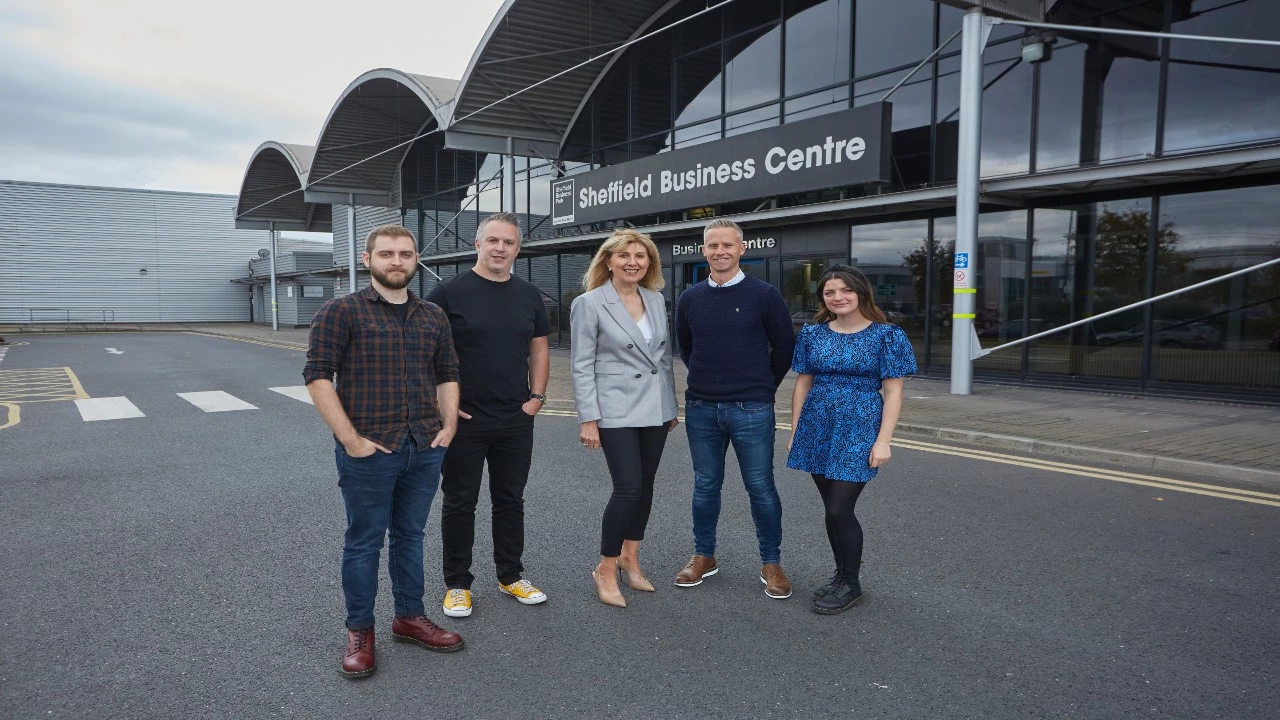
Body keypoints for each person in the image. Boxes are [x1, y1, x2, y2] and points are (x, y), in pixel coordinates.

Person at [304, 224, 464, 679]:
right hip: (370, 450)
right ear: (367, 259)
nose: (397, 261)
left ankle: (409, 616)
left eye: (406, 254)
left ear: (416, 260)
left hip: (425, 445)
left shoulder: (432, 314)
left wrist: (449, 424)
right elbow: (318, 376)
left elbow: (447, 371)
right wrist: (351, 441)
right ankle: (360, 631)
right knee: (364, 542)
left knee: (411, 536)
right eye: (387, 254)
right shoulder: (342, 312)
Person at [427, 212, 551, 619]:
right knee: (460, 502)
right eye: (493, 241)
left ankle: (510, 574)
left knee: (510, 498)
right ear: (477, 245)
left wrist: (536, 398)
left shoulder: (530, 295)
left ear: (518, 248)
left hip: (516, 416)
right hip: (464, 419)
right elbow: (424, 351)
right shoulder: (447, 293)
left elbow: (538, 350)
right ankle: (457, 584)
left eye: (509, 243)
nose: (500, 249)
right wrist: (441, 404)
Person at [673, 218, 796, 598]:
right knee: (705, 485)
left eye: (728, 245)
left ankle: (771, 562)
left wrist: (761, 387)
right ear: (704, 250)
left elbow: (784, 349)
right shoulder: (690, 298)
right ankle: (704, 556)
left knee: (760, 487)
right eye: (713, 246)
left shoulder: (765, 295)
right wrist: (711, 382)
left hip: (752, 407)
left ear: (742, 248)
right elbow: (687, 349)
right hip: (702, 406)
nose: (720, 252)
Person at [786, 266, 917, 615]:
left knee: (839, 508)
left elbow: (893, 391)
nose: (837, 297)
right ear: (823, 299)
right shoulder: (813, 334)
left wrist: (884, 440)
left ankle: (852, 583)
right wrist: (796, 430)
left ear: (861, 293)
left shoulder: (887, 336)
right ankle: (841, 574)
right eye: (829, 292)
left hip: (860, 427)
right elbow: (802, 382)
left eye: (845, 290)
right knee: (831, 510)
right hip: (817, 425)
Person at [570, 229, 680, 608]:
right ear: (608, 261)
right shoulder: (589, 303)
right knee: (628, 487)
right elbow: (581, 364)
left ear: (650, 263)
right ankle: (605, 566)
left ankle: (631, 558)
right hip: (614, 407)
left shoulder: (654, 298)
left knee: (646, 485)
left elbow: (662, 359)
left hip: (655, 406)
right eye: (624, 255)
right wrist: (588, 418)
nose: (633, 262)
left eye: (641, 256)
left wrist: (671, 407)